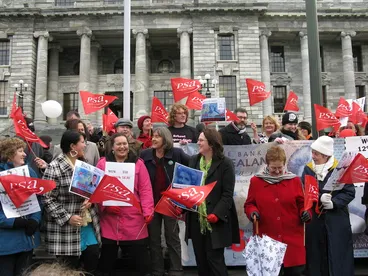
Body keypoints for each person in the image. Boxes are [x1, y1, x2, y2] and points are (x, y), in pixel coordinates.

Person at [244, 146, 310, 276]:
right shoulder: (256, 181)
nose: (278, 171)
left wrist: (305, 212)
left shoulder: (295, 180)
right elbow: (249, 204)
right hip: (268, 239)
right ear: (267, 165)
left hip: (292, 239)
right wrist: (253, 212)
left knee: (296, 272)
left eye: (280, 167)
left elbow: (302, 203)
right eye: (274, 168)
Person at [42, 130, 101, 274]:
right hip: (65, 229)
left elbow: (91, 190)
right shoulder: (54, 167)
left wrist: (90, 200)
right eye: (82, 142)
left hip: (86, 222)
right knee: (68, 268)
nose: (85, 145)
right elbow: (47, 197)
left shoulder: (84, 164)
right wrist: (68, 217)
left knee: (92, 257)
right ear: (73, 146)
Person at [96, 133, 154, 276]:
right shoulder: (102, 163)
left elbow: (145, 190)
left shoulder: (138, 164)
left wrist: (148, 212)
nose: (122, 147)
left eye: (125, 144)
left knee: (142, 263)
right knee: (106, 262)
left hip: (134, 219)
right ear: (112, 147)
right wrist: (105, 205)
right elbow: (96, 188)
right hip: (110, 220)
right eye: (119, 144)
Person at [186, 128, 239, 276]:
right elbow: (189, 188)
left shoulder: (225, 163)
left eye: (201, 140)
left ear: (211, 143)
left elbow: (227, 194)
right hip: (197, 220)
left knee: (215, 262)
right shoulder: (193, 160)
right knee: (201, 262)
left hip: (216, 222)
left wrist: (216, 214)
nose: (198, 142)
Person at [302, 136, 355, 276]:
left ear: (325, 155)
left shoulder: (341, 169)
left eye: (316, 154)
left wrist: (334, 203)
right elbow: (304, 190)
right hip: (315, 221)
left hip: (336, 220)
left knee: (337, 253)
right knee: (315, 255)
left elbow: (349, 192)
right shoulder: (308, 170)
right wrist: (318, 197)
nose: (313, 156)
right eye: (312, 152)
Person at [140, 127, 189, 276]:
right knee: (154, 240)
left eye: (157, 137)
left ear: (165, 139)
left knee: (172, 237)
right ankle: (157, 270)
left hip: (171, 203)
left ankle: (176, 269)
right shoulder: (145, 154)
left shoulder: (178, 154)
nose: (153, 139)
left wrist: (183, 201)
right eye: (153, 136)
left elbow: (191, 171)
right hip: (152, 203)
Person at [0, 137, 42, 276]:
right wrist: (13, 222)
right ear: (10, 154)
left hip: (26, 240)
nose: (24, 154)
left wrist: (35, 220)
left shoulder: (29, 172)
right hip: (5, 243)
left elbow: (38, 199)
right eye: (20, 151)